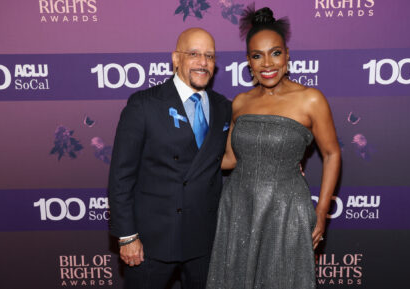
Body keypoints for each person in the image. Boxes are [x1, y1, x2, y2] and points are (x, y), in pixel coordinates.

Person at [206, 6, 341, 289]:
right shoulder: (240, 102)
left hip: (287, 211)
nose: (267, 63)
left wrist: (321, 212)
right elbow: (230, 158)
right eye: (257, 56)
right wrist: (182, 159)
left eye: (275, 53)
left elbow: (331, 154)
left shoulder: (311, 99)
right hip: (239, 208)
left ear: (287, 55)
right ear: (249, 62)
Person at [108, 28, 232, 289]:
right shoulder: (144, 104)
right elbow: (121, 176)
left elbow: (231, 156)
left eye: (209, 56)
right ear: (176, 58)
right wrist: (127, 236)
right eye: (194, 54)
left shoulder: (223, 106)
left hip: (204, 241)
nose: (203, 62)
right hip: (152, 242)